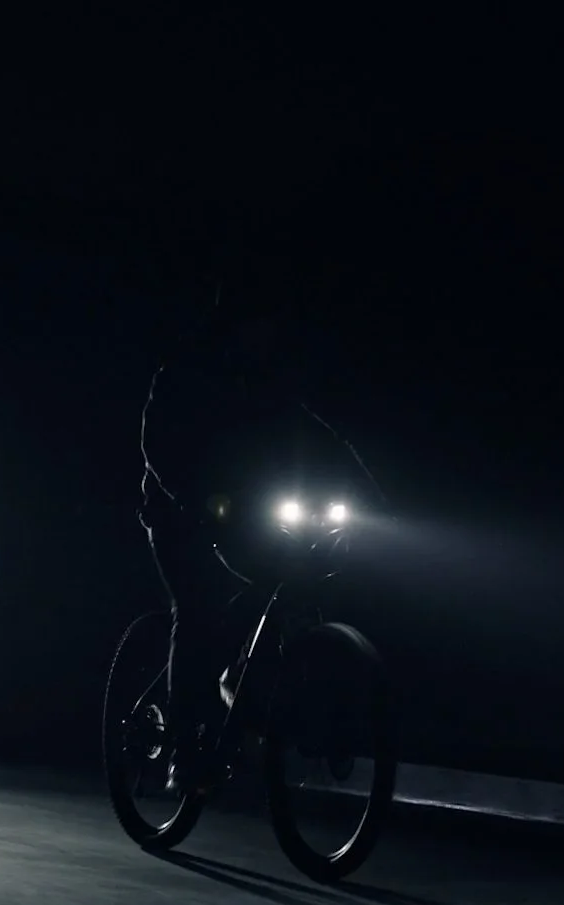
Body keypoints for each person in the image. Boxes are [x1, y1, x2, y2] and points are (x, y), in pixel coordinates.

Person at [135, 307, 383, 788]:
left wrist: (374, 500)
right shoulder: (186, 369)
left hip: (238, 513)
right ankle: (183, 750)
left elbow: (320, 436)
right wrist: (196, 500)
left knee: (293, 578)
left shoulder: (265, 378)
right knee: (197, 609)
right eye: (255, 321)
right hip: (177, 514)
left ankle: (244, 678)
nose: (264, 332)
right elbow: (159, 442)